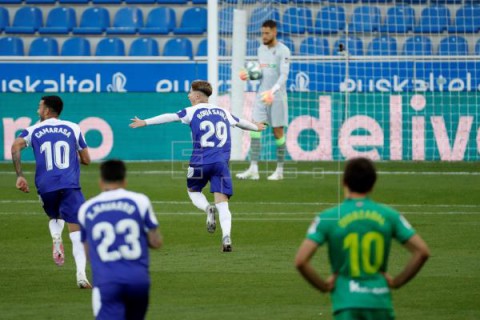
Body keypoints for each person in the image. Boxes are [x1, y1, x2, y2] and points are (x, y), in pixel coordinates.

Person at [130, 80, 265, 252]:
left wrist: (145, 122)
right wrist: (256, 127)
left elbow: (169, 116)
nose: (188, 95)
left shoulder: (191, 111)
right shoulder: (223, 111)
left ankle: (207, 208)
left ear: (197, 96)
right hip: (221, 164)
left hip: (199, 161)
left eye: (190, 92)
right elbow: (241, 122)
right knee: (223, 204)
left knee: (193, 191)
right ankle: (226, 236)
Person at [295, 157, 430, 320]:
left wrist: (324, 286)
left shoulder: (327, 218)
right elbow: (422, 252)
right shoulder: (390, 215)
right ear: (373, 184)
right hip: (380, 302)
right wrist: (396, 282)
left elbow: (301, 261)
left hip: (346, 303)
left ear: (344, 181)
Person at [11, 95, 92, 288]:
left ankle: (56, 238)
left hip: (45, 185)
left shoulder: (33, 129)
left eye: (39, 107)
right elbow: (87, 159)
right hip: (70, 184)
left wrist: (20, 175)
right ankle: (81, 275)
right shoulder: (73, 127)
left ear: (47, 111)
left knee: (55, 216)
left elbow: (15, 146)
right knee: (76, 230)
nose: (37, 111)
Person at [78, 159, 162, 320]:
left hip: (108, 281)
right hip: (139, 281)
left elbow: (88, 253)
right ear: (124, 180)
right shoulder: (140, 201)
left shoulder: (86, 209)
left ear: (101, 181)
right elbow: (156, 242)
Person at [236, 19, 291, 181]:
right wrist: (249, 74)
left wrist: (272, 91)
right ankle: (253, 168)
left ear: (274, 32)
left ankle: (279, 170)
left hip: (277, 95)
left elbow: (284, 75)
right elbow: (262, 72)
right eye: (262, 33)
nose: (264, 36)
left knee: (278, 132)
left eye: (267, 33)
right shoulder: (261, 49)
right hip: (261, 94)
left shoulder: (284, 51)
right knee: (255, 127)